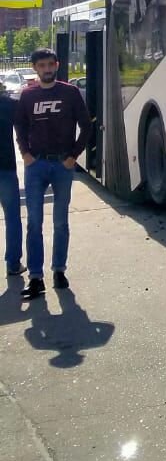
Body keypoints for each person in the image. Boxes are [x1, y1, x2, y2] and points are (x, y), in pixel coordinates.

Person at [13, 48, 91, 300]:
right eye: (41, 65)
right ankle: (35, 277)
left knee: (60, 222)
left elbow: (87, 126)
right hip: (36, 166)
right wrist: (25, 154)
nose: (47, 69)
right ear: (35, 68)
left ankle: (59, 270)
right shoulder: (28, 95)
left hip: (62, 166)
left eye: (50, 64)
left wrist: (74, 156)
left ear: (56, 65)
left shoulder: (69, 92)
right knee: (34, 222)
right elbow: (20, 126)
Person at [0, 79, 22, 276]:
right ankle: (13, 264)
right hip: (5, 167)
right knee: (12, 217)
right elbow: (26, 128)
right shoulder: (9, 104)